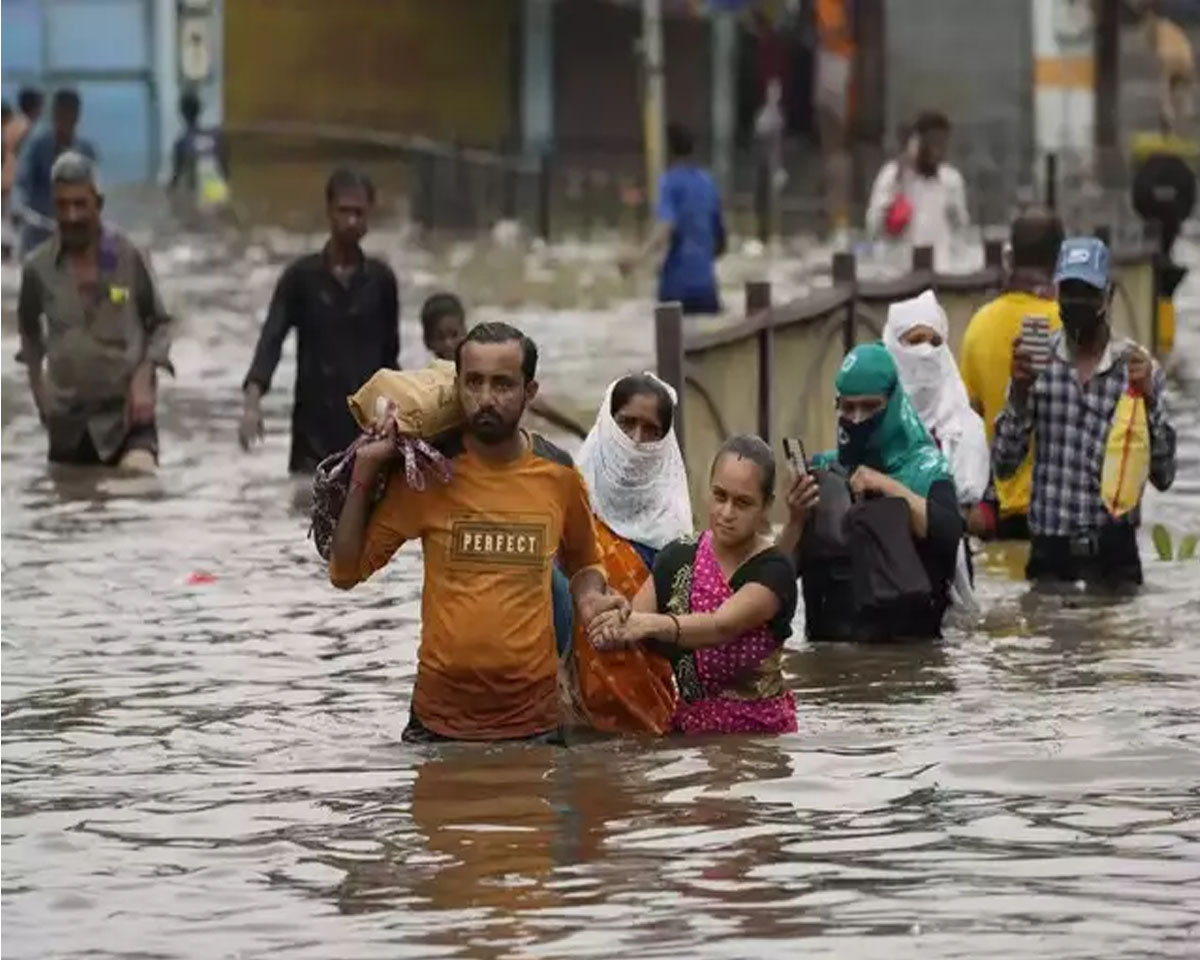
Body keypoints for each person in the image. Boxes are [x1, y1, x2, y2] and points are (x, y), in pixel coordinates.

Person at [328, 321, 627, 743]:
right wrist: (365, 470)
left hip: (533, 727)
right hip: (439, 725)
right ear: (457, 386)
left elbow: (584, 560)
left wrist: (591, 597)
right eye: (474, 383)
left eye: (503, 385)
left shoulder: (558, 474)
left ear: (530, 392)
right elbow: (344, 572)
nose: (486, 398)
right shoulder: (429, 473)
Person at [993, 237, 1176, 589]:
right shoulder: (1035, 364)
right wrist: (1018, 393)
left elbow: (1164, 476)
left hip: (1114, 558)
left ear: (1108, 296)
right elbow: (1003, 466)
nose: (1077, 302)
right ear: (1056, 293)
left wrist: (1150, 402)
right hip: (1050, 556)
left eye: (1088, 292)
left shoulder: (1137, 369)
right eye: (1069, 290)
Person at [591, 435, 798, 736]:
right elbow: (632, 626)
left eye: (742, 503)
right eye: (719, 496)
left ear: (766, 505)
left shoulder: (774, 570)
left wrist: (648, 624)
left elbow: (720, 626)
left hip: (761, 738)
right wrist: (608, 619)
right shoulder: (678, 557)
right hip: (690, 736)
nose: (726, 513)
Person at [780, 344, 966, 641]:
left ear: (892, 403)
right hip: (830, 665)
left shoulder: (927, 470)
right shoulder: (822, 474)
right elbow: (774, 583)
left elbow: (949, 534)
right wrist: (794, 520)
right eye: (848, 407)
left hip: (908, 663)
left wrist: (887, 487)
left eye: (869, 407)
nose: (856, 419)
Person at [16, 152, 172, 472]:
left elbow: (160, 324)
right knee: (71, 512)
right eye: (62, 206)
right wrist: (38, 391)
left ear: (98, 204)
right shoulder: (38, 268)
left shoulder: (127, 256)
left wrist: (144, 378)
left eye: (80, 204)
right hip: (67, 427)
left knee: (137, 482)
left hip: (127, 418)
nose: (71, 216)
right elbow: (29, 331)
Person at [240, 169, 400, 473]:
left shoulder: (381, 281)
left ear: (369, 216)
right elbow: (270, 342)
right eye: (344, 211)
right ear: (329, 212)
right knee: (305, 509)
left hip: (368, 432)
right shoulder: (300, 278)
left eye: (359, 213)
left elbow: (391, 358)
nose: (351, 221)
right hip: (311, 433)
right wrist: (252, 404)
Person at [569, 373, 693, 734]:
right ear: (607, 424)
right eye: (626, 424)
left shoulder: (674, 534)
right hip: (566, 720)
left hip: (648, 724)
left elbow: (689, 640)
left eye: (651, 430)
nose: (637, 441)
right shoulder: (568, 511)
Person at [960, 209, 1064, 539]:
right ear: (1060, 260)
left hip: (995, 516)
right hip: (1056, 515)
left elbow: (969, 418)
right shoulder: (1070, 323)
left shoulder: (979, 325)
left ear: (1009, 258)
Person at [883, 290, 990, 533]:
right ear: (894, 346)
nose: (927, 351)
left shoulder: (965, 427)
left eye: (935, 342)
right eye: (916, 340)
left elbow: (983, 513)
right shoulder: (876, 419)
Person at [419, 292, 588, 440]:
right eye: (440, 338)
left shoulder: (488, 368)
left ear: (465, 331)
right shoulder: (428, 385)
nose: (449, 343)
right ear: (427, 342)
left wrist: (579, 431)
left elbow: (537, 404)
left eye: (454, 334)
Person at [619, 123, 726, 315]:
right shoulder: (708, 182)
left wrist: (637, 258)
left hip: (677, 287)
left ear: (667, 151)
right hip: (707, 290)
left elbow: (664, 228)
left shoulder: (669, 182)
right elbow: (721, 242)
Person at [865, 110, 968, 269]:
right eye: (932, 143)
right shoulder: (892, 177)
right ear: (917, 142)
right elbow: (874, 226)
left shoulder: (951, 180)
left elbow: (961, 229)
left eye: (942, 143)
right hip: (900, 271)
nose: (938, 150)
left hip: (940, 270)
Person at [16, 89, 96, 254]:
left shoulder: (85, 151)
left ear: (77, 116)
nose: (64, 120)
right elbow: (21, 184)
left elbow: (93, 191)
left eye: (70, 114)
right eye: (60, 114)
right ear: (53, 114)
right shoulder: (38, 146)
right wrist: (27, 214)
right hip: (39, 234)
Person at [168, 89, 229, 212]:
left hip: (196, 191)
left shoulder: (182, 142)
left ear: (182, 113)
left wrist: (168, 196)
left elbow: (176, 177)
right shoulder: (215, 135)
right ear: (200, 110)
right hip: (217, 189)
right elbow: (225, 170)